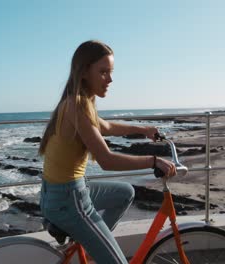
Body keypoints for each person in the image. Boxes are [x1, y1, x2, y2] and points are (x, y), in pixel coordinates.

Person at [39, 40, 177, 264]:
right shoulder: (77, 105)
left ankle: (92, 247)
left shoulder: (77, 102)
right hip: (69, 199)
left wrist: (143, 130)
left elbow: (108, 127)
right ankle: (98, 247)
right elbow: (107, 160)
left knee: (125, 193)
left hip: (59, 193)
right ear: (84, 72)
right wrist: (154, 161)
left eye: (110, 72)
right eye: (103, 72)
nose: (110, 80)